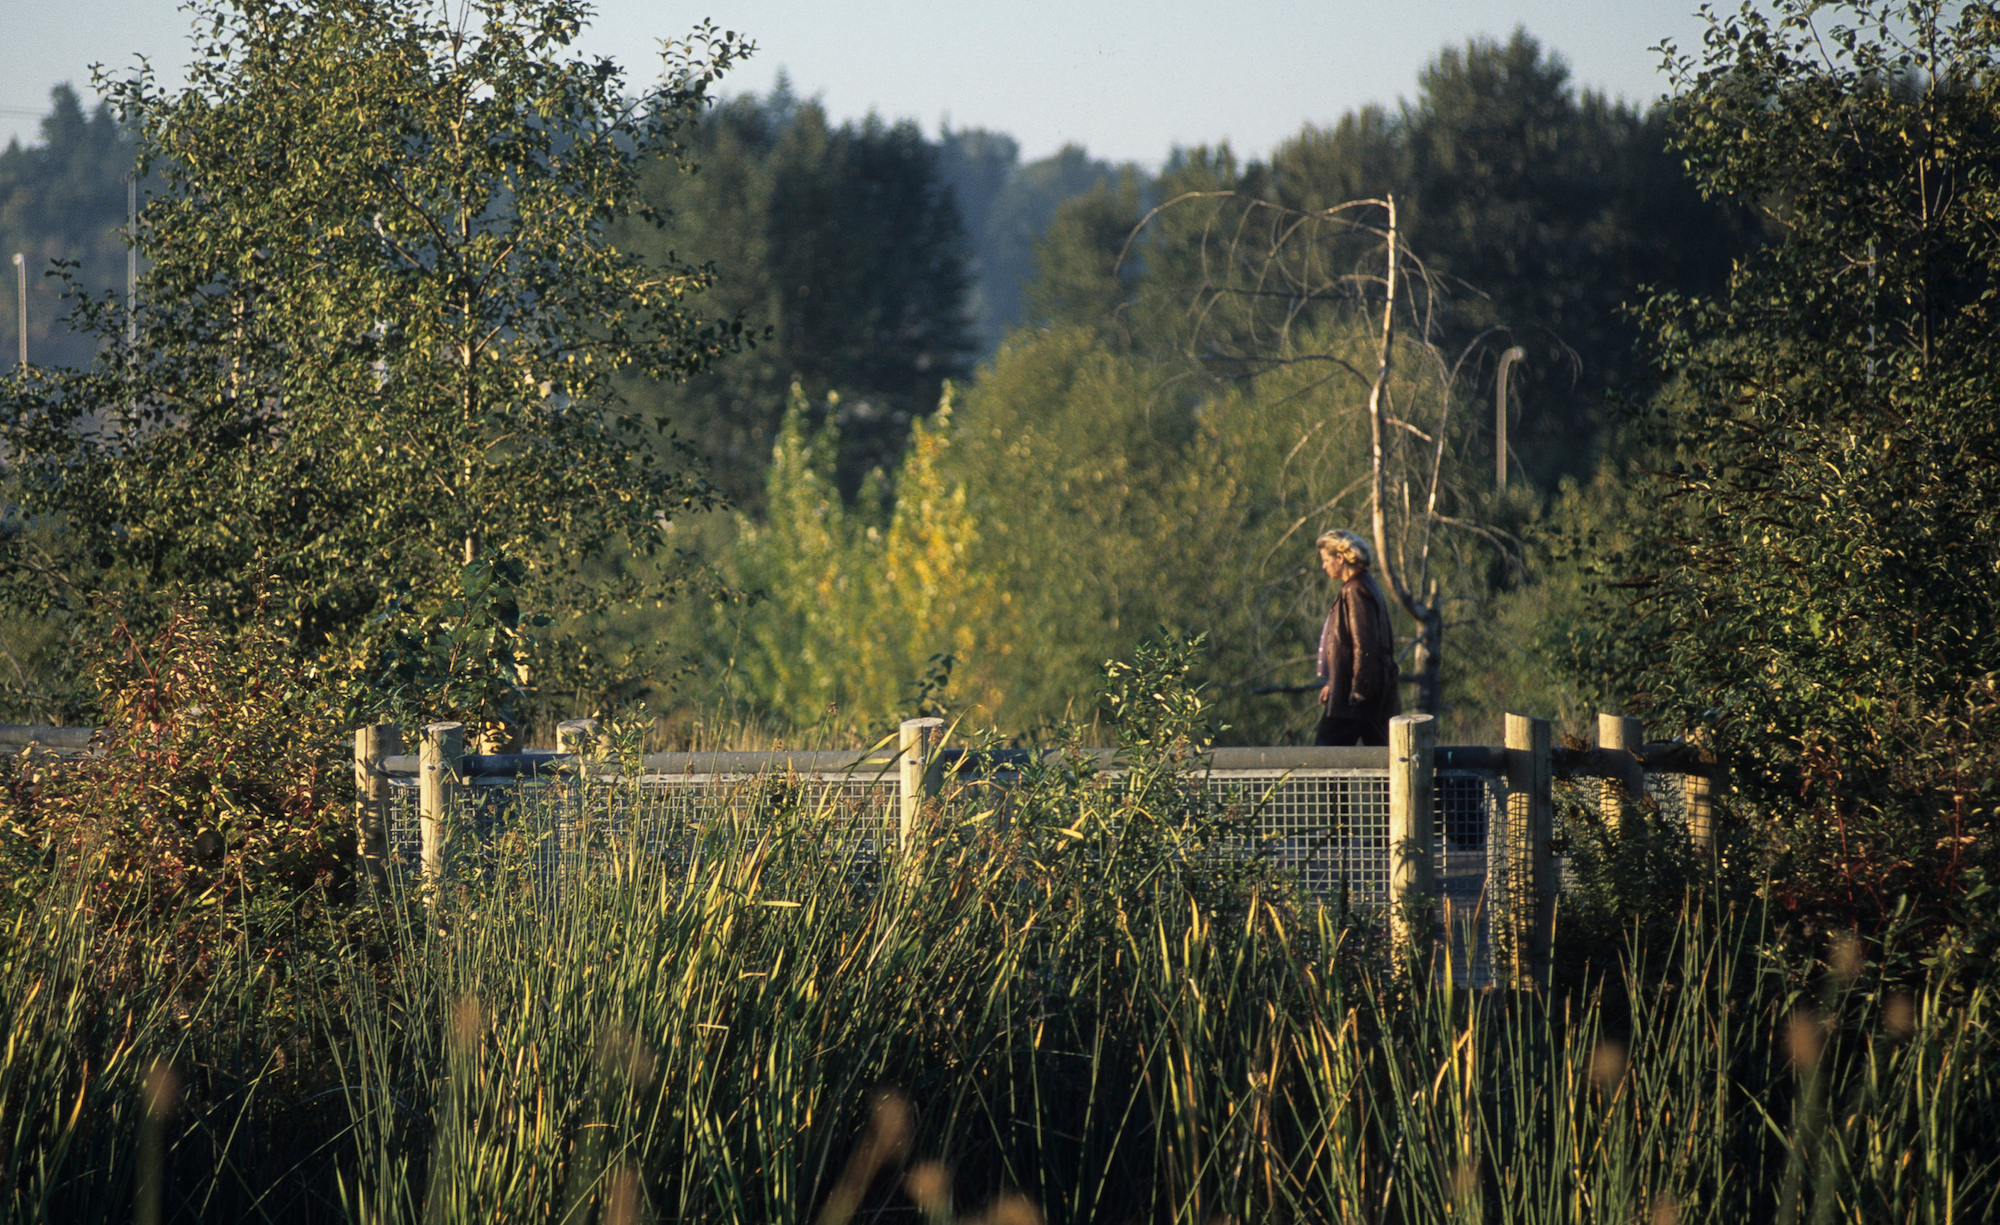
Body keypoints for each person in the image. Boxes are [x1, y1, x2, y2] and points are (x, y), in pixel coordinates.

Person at [1313, 529, 1400, 746]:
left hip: (1355, 693)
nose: (1324, 566)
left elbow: (1364, 644)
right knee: (1384, 752)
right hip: (1367, 687)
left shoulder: (1355, 589)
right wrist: (1333, 683)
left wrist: (1359, 687)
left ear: (1340, 558)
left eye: (1326, 560)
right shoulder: (1365, 583)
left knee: (1326, 754)